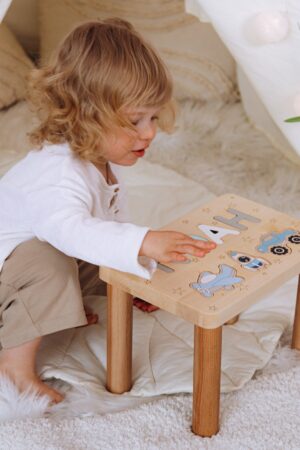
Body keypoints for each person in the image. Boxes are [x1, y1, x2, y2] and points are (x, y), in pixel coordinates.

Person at [0, 19, 216, 403]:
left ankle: (60, 301)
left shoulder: (97, 159)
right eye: (134, 122)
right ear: (84, 115)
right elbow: (71, 232)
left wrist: (133, 276)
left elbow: (109, 227)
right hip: (9, 273)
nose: (149, 133)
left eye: (152, 117)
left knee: (104, 248)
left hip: (32, 259)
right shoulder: (58, 171)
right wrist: (144, 241)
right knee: (51, 259)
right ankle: (14, 370)